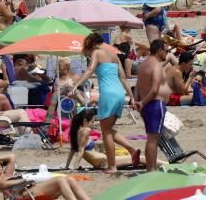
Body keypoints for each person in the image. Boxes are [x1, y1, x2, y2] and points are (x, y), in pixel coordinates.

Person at [72, 33, 140, 173]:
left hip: (108, 94)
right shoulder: (114, 55)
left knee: (106, 133)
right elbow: (123, 78)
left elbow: (90, 70)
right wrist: (132, 98)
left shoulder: (97, 52)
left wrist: (76, 85)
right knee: (108, 129)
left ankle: (112, 166)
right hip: (120, 94)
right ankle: (131, 149)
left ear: (91, 44)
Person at [0, 153, 90, 200]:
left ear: (1, 165)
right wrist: (25, 180)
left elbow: (12, 157)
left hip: (30, 189)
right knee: (60, 180)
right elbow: (4, 184)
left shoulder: (8, 174)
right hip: (24, 194)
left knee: (69, 179)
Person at [135, 39, 169, 171]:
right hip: (153, 104)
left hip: (146, 104)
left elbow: (137, 85)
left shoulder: (143, 64)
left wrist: (137, 101)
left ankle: (151, 168)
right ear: (160, 50)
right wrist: (142, 102)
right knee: (153, 139)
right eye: (166, 50)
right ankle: (151, 169)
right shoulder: (156, 65)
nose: (167, 53)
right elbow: (155, 89)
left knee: (151, 138)